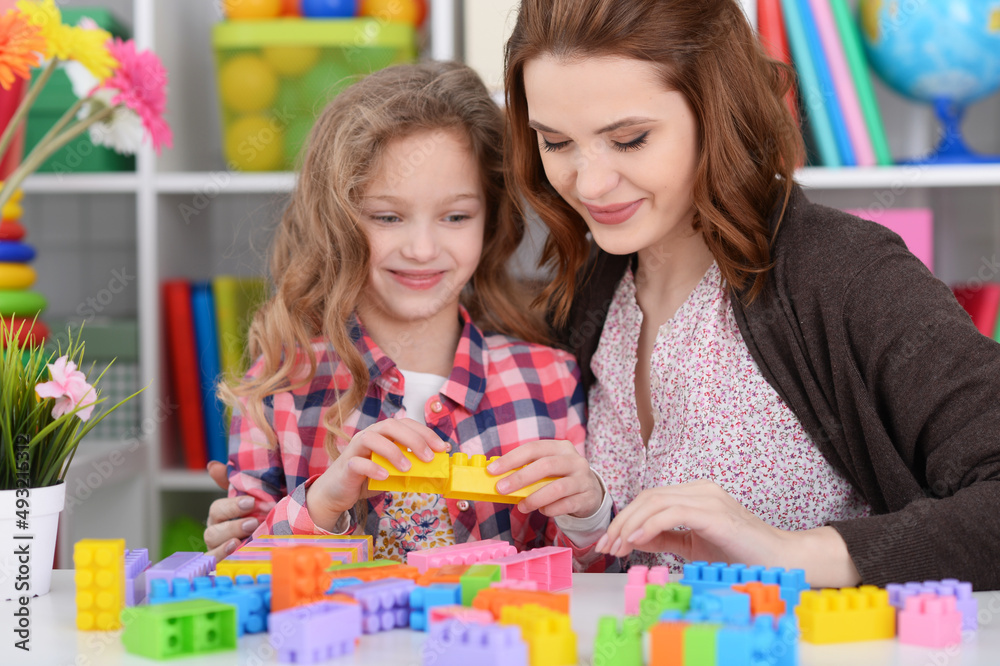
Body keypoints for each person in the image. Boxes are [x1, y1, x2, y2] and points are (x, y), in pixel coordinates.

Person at [503, 0, 1000, 589]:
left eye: (630, 139)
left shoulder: (843, 273)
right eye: (556, 143)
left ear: (717, 113)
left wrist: (791, 553)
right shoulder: (589, 289)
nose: (588, 184)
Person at [203, 61, 617, 571]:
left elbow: (594, 580)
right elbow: (242, 575)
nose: (423, 249)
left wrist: (590, 516)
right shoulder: (280, 385)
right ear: (339, 222)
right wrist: (324, 504)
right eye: (388, 217)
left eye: (456, 216)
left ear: (490, 221)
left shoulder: (549, 379)